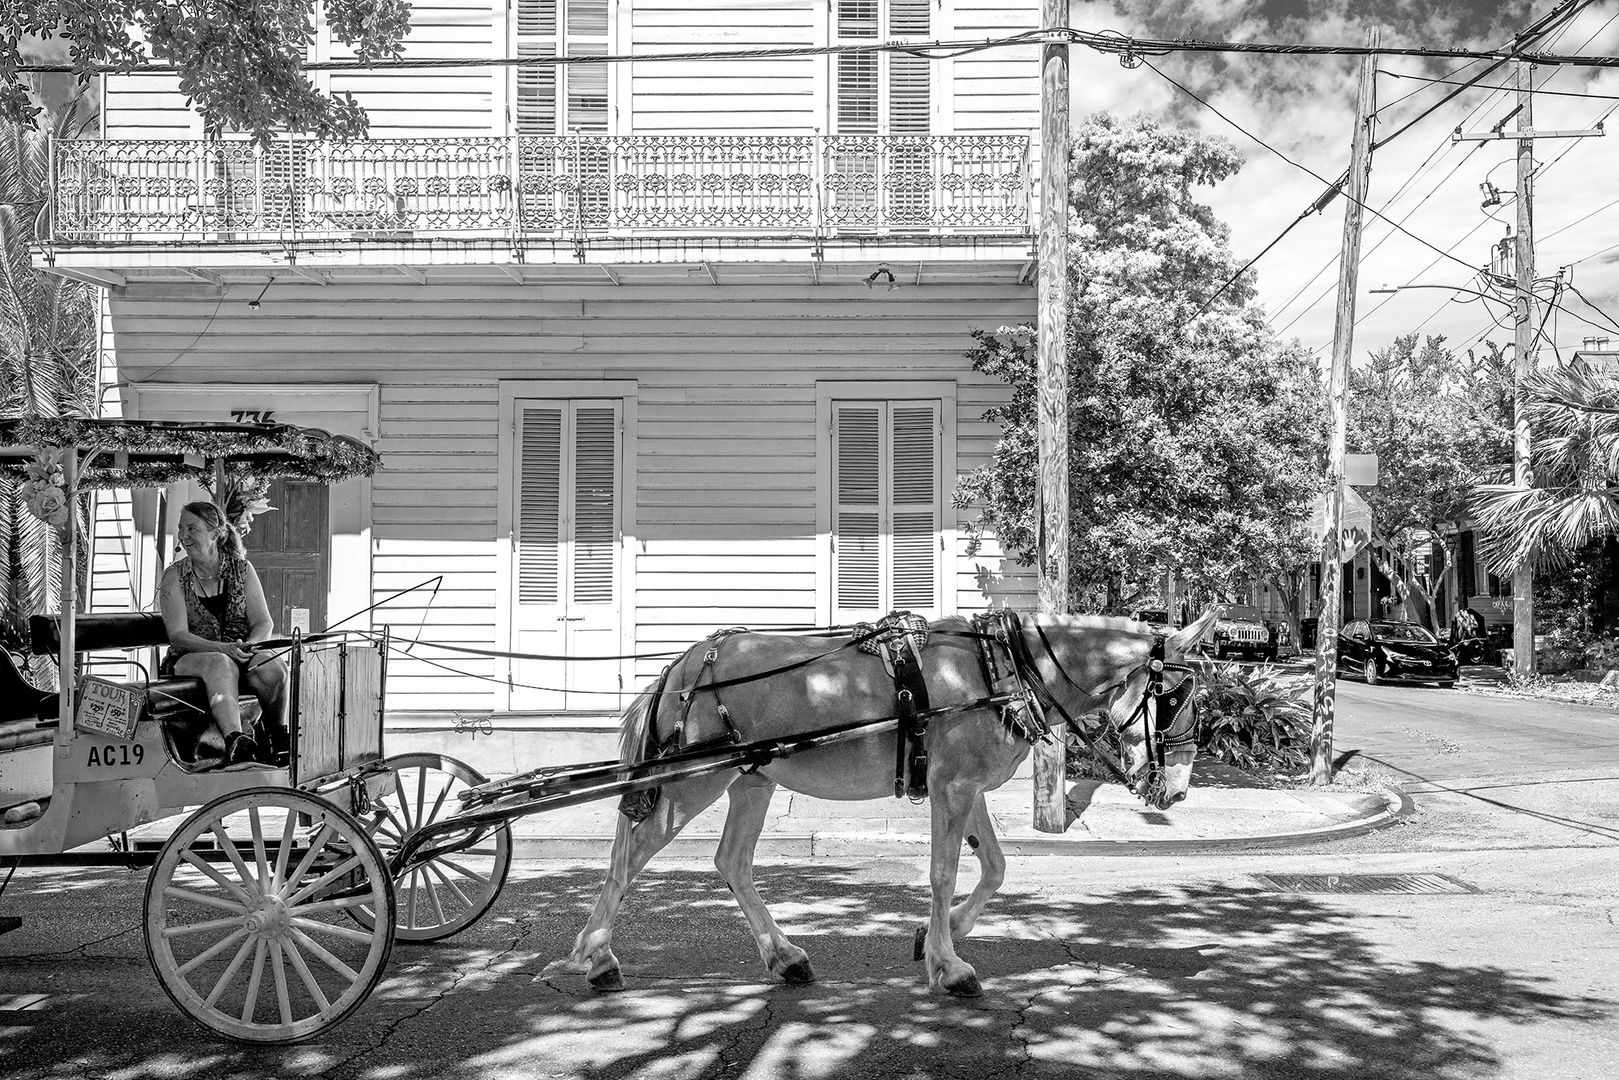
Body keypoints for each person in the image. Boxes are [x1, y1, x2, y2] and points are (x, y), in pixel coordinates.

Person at [158, 500, 288, 767]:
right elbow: (178, 636)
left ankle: (275, 734)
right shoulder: (174, 576)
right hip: (189, 658)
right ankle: (235, 741)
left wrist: (249, 646)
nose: (184, 536)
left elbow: (264, 622)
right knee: (221, 663)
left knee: (272, 665)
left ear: (215, 533)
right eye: (181, 528)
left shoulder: (242, 570)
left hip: (237, 652)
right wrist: (223, 649)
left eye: (192, 528)